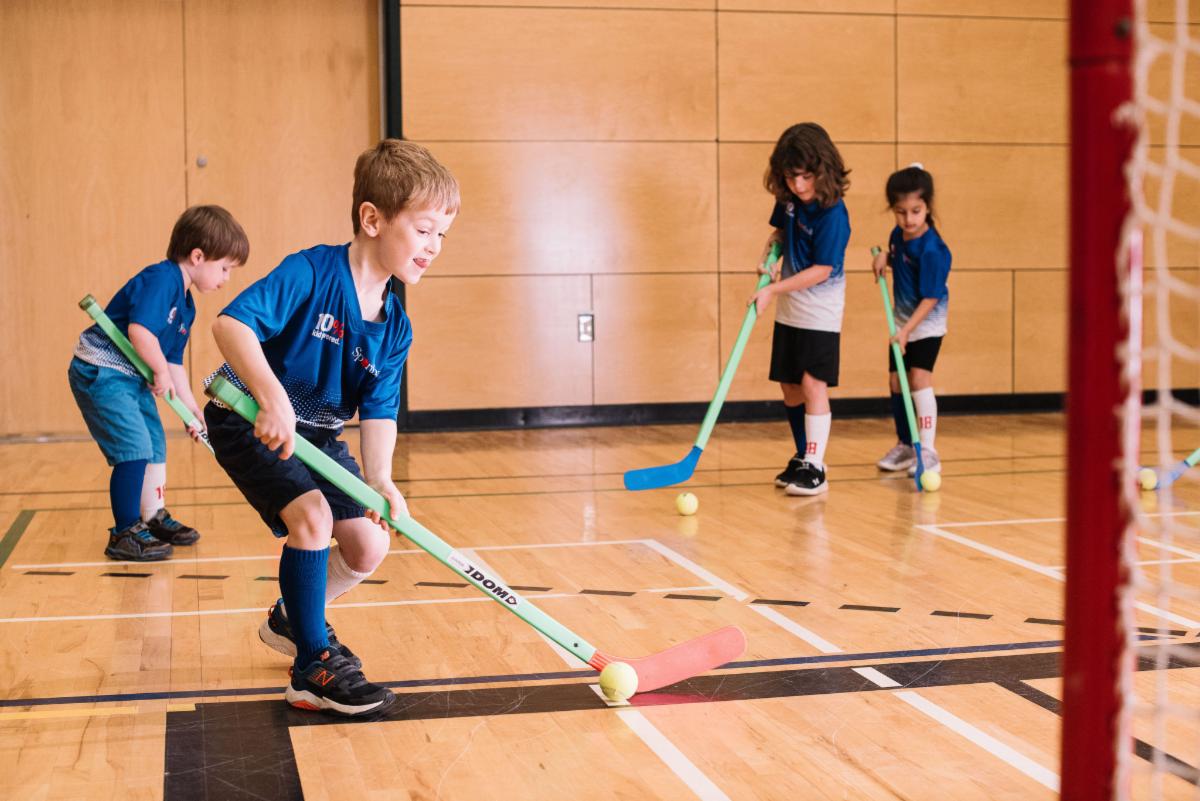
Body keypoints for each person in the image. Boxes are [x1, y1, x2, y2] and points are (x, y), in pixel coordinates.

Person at [203, 139, 458, 717]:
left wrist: (383, 481)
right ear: (373, 218)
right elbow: (230, 325)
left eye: (442, 234)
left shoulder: (395, 327)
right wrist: (270, 398)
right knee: (312, 516)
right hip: (247, 415)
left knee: (369, 544)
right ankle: (311, 666)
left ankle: (293, 620)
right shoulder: (310, 272)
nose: (434, 247)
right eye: (423, 231)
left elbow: (380, 410)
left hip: (316, 434)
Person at [69, 205, 247, 561]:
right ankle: (124, 533)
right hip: (101, 370)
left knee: (154, 442)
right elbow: (140, 332)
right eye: (224, 267)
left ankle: (153, 517)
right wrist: (161, 374)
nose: (227, 277)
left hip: (130, 375)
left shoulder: (187, 304)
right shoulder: (162, 279)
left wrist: (190, 408)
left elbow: (172, 360)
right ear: (198, 256)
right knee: (134, 447)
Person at [750, 122, 851, 496]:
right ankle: (802, 454)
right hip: (791, 305)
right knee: (790, 387)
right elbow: (780, 234)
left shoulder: (833, 215)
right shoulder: (789, 200)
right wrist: (769, 257)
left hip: (820, 310)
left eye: (807, 176)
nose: (799, 186)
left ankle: (816, 466)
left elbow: (822, 270)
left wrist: (773, 288)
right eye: (791, 177)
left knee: (812, 383)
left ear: (823, 170)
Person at [872, 163, 951, 475]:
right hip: (901, 324)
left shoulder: (934, 250)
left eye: (916, 211)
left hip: (925, 324)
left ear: (927, 207)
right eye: (901, 212)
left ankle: (928, 450)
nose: (908, 219)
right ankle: (906, 445)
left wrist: (906, 331)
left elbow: (930, 298)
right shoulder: (899, 235)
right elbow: (897, 253)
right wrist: (885, 257)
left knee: (918, 380)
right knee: (896, 381)